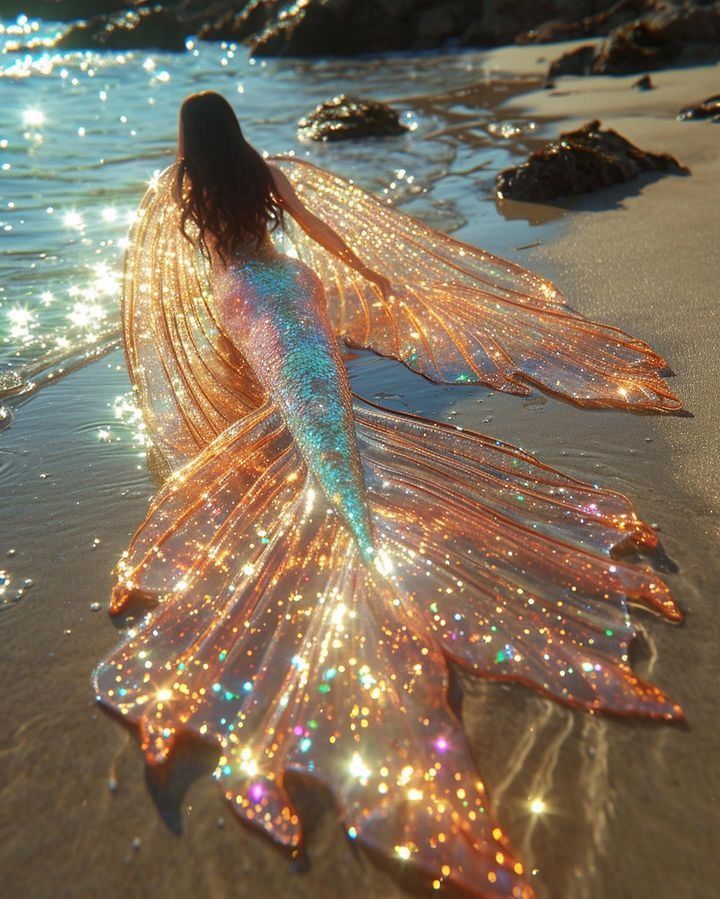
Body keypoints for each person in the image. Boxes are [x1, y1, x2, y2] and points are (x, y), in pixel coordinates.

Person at [95, 91, 682, 898]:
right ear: (232, 129)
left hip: (242, 299)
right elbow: (325, 234)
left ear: (188, 140)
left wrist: (180, 385)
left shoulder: (178, 188)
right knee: (324, 408)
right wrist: (373, 273)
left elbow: (156, 288)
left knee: (297, 416)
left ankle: (337, 498)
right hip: (295, 287)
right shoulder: (262, 167)